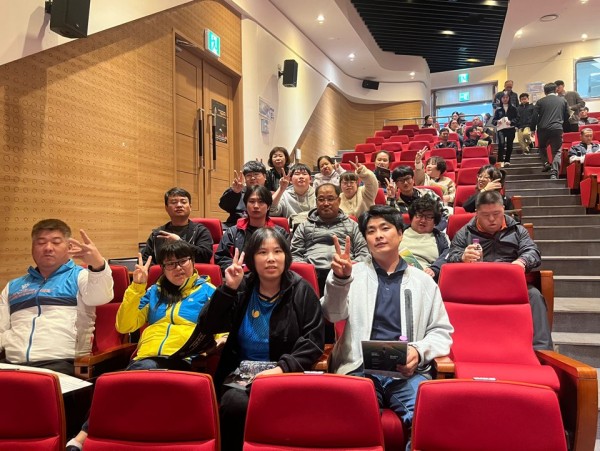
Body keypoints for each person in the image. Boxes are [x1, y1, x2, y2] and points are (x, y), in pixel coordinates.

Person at [321, 206, 453, 450]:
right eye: (371, 231)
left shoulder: (424, 282)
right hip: (359, 368)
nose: (378, 235)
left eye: (385, 228)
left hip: (406, 372)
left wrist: (418, 351)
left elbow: (441, 332)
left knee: (431, 419)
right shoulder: (352, 274)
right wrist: (339, 280)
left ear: (400, 234)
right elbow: (332, 314)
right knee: (348, 423)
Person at [66, 242, 216, 451]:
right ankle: (91, 438)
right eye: (170, 264)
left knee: (122, 383)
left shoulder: (209, 291)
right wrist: (136, 288)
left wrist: (217, 343)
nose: (178, 268)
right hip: (146, 358)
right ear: (162, 268)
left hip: (185, 359)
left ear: (192, 261)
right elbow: (125, 325)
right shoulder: (154, 292)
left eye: (183, 261)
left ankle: (81, 438)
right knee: (115, 383)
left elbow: (222, 329)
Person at [197, 228, 325, 451]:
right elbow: (208, 325)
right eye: (262, 252)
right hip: (242, 377)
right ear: (252, 258)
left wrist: (282, 368)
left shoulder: (301, 289)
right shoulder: (241, 286)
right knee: (235, 406)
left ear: (286, 255)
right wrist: (228, 289)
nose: (271, 258)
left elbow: (313, 339)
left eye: (277, 251)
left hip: (286, 375)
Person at [0, 219, 113, 376]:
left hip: (61, 364)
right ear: (32, 247)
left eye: (56, 242)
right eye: (41, 242)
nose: (48, 248)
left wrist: (98, 265)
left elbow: (101, 297)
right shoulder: (13, 286)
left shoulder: (80, 276)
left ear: (69, 247)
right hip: (11, 365)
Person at [446, 190, 553, 351]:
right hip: (476, 286)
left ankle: (542, 351)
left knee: (534, 296)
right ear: (476, 213)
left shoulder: (517, 230)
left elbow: (532, 252)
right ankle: (456, 350)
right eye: (485, 215)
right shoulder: (465, 232)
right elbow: (450, 257)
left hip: (511, 284)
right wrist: (462, 257)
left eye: (496, 214)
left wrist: (521, 262)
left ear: (503, 209)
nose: (491, 219)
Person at [291, 183, 370, 295]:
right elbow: (294, 254)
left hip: (347, 274)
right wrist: (308, 270)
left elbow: (363, 253)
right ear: (316, 201)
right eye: (321, 199)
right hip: (313, 275)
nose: (326, 203)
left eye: (330, 199)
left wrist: (350, 267)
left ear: (339, 200)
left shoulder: (353, 225)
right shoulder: (304, 226)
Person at [215, 185, 289, 274]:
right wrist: (235, 268)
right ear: (246, 205)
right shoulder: (232, 232)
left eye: (261, 202)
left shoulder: (280, 233)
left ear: (268, 206)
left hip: (270, 277)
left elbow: (287, 259)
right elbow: (221, 258)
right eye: (252, 201)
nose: (256, 206)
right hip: (239, 277)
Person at [141, 187, 213, 265]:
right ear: (166, 208)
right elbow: (144, 260)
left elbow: (205, 256)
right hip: (163, 272)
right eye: (174, 202)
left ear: (190, 207)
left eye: (183, 202)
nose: (179, 205)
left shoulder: (200, 231)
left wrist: (180, 242)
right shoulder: (157, 234)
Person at [399, 196, 450, 282]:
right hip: (397, 273)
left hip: (425, 278)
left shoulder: (441, 237)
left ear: (435, 221)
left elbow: (448, 255)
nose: (423, 220)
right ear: (412, 217)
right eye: (419, 215)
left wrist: (434, 269)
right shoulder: (399, 232)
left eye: (428, 217)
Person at [386, 165, 448, 230]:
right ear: (396, 184)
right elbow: (391, 220)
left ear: (413, 179)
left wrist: (435, 229)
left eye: (408, 178)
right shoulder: (395, 202)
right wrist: (391, 197)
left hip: (433, 231)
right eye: (401, 180)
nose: (405, 183)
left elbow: (444, 212)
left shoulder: (428, 194)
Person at [531, 82, 570, 180]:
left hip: (542, 128)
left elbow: (534, 116)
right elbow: (567, 115)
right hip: (557, 128)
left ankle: (546, 163)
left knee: (542, 147)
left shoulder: (540, 102)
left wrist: (532, 129)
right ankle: (554, 173)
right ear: (556, 90)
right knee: (556, 151)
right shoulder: (562, 100)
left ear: (545, 92)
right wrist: (563, 126)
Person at [219, 161, 268, 228]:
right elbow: (224, 206)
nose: (252, 178)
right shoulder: (238, 190)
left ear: (264, 176)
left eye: (256, 174)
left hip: (262, 228)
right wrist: (235, 192)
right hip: (236, 226)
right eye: (248, 175)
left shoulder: (270, 194)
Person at [270, 163, 315, 228]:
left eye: (304, 174)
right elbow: (271, 211)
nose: (301, 177)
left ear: (310, 179)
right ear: (290, 180)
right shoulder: (284, 195)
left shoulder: (317, 194)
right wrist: (281, 189)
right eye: (297, 174)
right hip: (292, 230)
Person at [492, 92, 519, 167]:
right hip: (501, 129)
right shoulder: (498, 110)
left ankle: (507, 160)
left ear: (509, 98)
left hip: (510, 129)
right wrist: (497, 121)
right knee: (501, 144)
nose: (505, 99)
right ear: (501, 99)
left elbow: (517, 118)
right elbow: (493, 121)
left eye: (507, 97)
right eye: (503, 97)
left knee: (509, 145)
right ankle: (500, 160)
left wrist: (511, 122)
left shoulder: (513, 108)